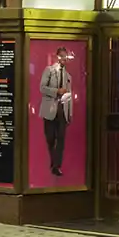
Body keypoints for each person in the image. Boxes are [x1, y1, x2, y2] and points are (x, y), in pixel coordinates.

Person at [39, 47, 75, 177]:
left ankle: (56, 166)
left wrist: (70, 114)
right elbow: (42, 88)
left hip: (62, 111)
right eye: (61, 56)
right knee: (50, 138)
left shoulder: (68, 76)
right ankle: (54, 161)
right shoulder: (49, 71)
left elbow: (70, 96)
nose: (63, 59)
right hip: (49, 110)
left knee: (61, 140)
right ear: (57, 57)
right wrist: (56, 91)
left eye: (65, 57)